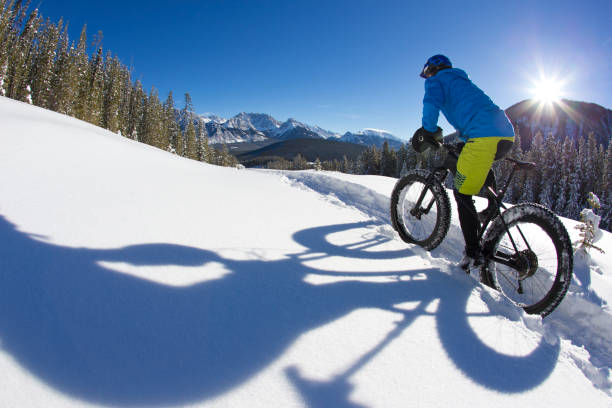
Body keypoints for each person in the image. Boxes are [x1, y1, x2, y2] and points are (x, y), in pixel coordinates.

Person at [413, 54, 515, 270]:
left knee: (461, 192)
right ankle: (491, 207)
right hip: (505, 133)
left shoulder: (436, 81)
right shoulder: (461, 80)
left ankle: (473, 253)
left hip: (483, 136)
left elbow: (431, 105)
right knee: (472, 158)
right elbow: (471, 114)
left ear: (431, 69)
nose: (427, 76)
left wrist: (428, 131)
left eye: (427, 72)